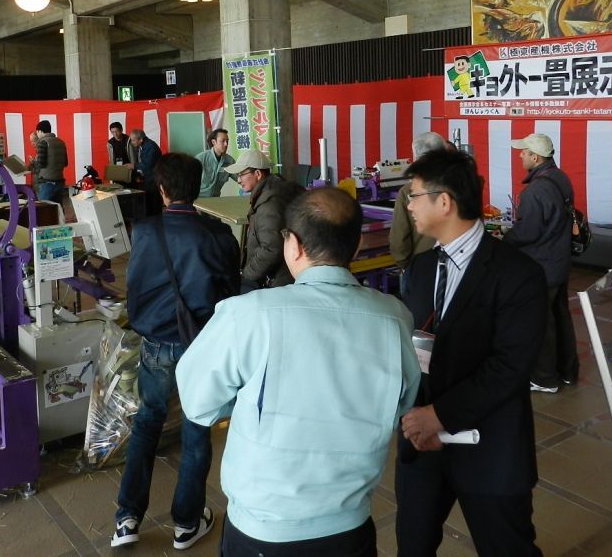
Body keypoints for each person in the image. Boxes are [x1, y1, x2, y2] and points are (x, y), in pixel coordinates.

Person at [176, 187, 421, 556]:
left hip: (262, 531)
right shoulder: (394, 317)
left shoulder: (248, 313)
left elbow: (198, 402)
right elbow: (402, 400)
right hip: (349, 528)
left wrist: (248, 402)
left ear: (292, 245)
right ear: (356, 247)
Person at [397, 149, 546, 557]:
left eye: (413, 195)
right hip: (422, 445)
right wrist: (415, 419)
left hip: (489, 447)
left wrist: (440, 416)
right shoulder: (422, 268)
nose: (408, 206)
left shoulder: (518, 274)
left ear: (444, 202)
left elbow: (509, 367)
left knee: (506, 548)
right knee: (413, 545)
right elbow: (416, 347)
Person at [111, 153, 240, 551]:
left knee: (147, 422)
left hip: (156, 345)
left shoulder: (145, 232)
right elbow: (230, 292)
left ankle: (127, 519)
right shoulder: (217, 234)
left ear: (162, 189)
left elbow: (134, 287)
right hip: (201, 345)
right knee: (196, 427)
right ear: (197, 187)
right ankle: (186, 523)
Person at [504, 133, 579, 393]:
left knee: (541, 322)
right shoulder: (560, 178)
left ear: (535, 157)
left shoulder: (535, 190)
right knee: (560, 316)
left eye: (524, 152)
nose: (520, 155)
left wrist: (503, 237)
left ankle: (545, 379)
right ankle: (568, 371)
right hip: (560, 260)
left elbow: (528, 232)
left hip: (541, 266)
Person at [224, 149, 305, 293]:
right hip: (290, 276)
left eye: (241, 174)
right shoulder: (275, 190)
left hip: (278, 282)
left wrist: (247, 274)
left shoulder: (270, 204)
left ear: (258, 174)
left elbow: (271, 248)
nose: (238, 180)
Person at [389, 132, 449, 287]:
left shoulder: (408, 191)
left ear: (416, 158)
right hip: (457, 266)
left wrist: (404, 265)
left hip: (420, 269)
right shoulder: (459, 187)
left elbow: (399, 237)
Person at [127, 129, 163, 215]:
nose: (131, 142)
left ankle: (155, 219)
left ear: (141, 139)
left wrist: (134, 166)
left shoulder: (150, 147)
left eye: (133, 140)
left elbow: (147, 165)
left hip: (153, 179)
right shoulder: (144, 145)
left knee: (153, 203)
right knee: (149, 202)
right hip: (148, 178)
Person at [32, 120, 68, 203]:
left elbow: (41, 164)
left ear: (40, 131)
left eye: (37, 132)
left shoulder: (42, 142)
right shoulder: (61, 142)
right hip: (60, 182)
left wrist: (33, 163)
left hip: (47, 183)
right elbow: (65, 163)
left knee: (45, 208)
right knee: (58, 209)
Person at [195, 128, 235, 198]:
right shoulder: (201, 158)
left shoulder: (229, 161)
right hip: (198, 199)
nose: (226, 144)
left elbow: (240, 177)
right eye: (222, 141)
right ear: (214, 142)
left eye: (227, 141)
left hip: (215, 200)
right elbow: (187, 180)